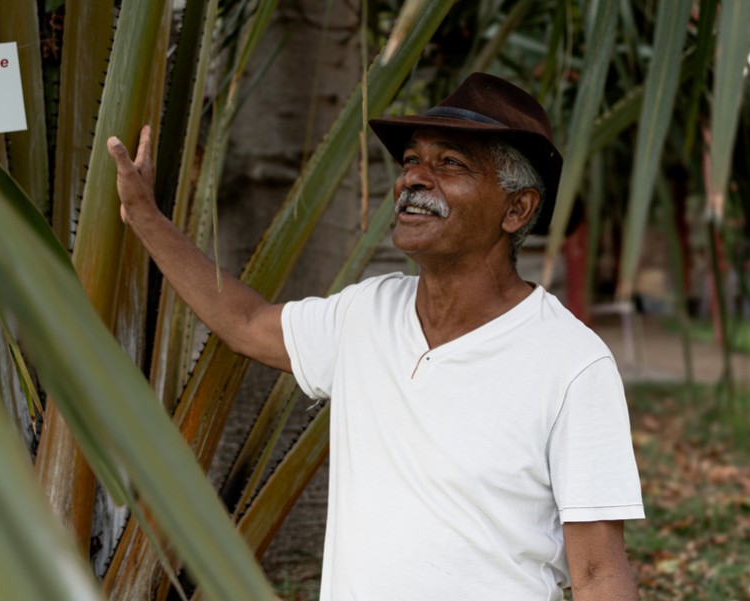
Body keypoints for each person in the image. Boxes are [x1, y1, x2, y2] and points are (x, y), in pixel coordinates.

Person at [108, 72, 644, 600]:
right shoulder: (366, 312)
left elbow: (598, 573)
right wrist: (144, 216)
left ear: (516, 209)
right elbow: (246, 324)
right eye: (412, 160)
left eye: (450, 164)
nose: (413, 179)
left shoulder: (572, 363)